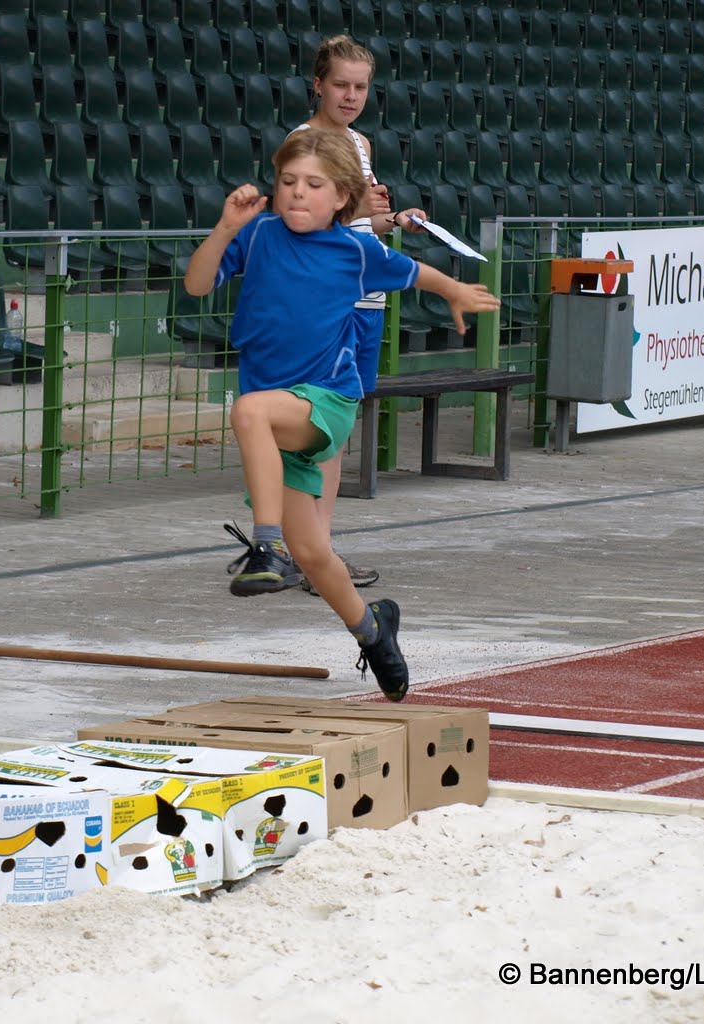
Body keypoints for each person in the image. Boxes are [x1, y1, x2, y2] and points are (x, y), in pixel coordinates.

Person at [184, 130, 498, 698]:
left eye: (313, 185)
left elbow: (414, 273)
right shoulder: (257, 235)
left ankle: (266, 545)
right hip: (279, 416)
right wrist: (226, 228)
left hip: (327, 399)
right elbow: (197, 283)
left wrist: (454, 290)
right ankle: (373, 630)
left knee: (248, 412)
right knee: (315, 553)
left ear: (341, 198)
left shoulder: (355, 250)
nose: (297, 193)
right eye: (288, 182)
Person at [284, 34, 428, 595]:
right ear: (317, 84)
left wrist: (396, 220)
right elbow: (298, 225)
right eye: (341, 85)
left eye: (361, 87)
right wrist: (354, 210)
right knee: (316, 431)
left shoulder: (359, 143)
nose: (350, 96)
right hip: (327, 304)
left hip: (366, 299)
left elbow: (363, 223)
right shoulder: (304, 144)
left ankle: (316, 552)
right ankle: (306, 554)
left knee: (335, 431)